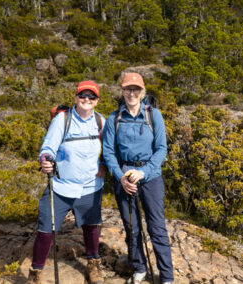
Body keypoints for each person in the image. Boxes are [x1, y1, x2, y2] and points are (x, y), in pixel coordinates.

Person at [27, 81, 106, 284]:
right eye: (83, 95)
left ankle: (93, 264)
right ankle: (35, 273)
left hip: (90, 186)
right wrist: (45, 160)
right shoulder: (62, 119)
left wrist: (104, 163)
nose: (86, 100)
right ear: (76, 97)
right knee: (46, 229)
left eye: (91, 97)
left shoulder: (100, 122)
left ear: (97, 101)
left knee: (91, 226)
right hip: (61, 186)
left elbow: (109, 148)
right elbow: (48, 147)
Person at [102, 73, 174, 284]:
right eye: (127, 89)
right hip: (124, 178)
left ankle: (167, 276)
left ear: (142, 92)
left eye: (135, 89)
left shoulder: (154, 115)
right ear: (122, 91)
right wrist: (121, 177)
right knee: (131, 227)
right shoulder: (114, 118)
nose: (131, 93)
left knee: (157, 228)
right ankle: (139, 268)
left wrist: (144, 172)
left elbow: (161, 149)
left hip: (150, 177)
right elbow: (108, 153)